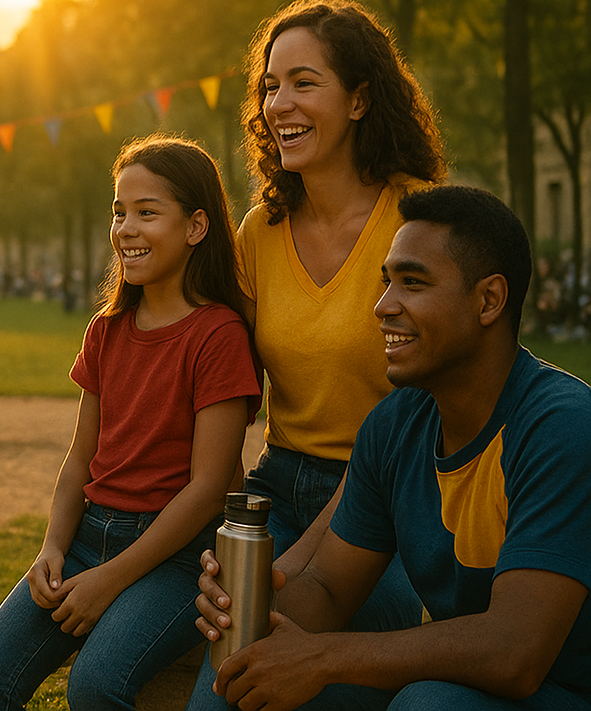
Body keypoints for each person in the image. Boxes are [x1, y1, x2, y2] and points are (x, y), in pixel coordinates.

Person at [195, 185, 591, 710]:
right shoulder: (395, 425)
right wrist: (246, 607)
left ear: (489, 300)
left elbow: (515, 653)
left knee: (426, 703)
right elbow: (329, 590)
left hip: (559, 690)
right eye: (386, 283)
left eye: (413, 283)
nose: (382, 307)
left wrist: (322, 659)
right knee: (256, 682)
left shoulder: (560, 425)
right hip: (470, 685)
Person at [182, 0, 447, 703]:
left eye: (304, 82)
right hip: (277, 490)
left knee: (314, 681)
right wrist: (233, 527)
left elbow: (425, 413)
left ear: (360, 99)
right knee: (224, 682)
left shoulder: (420, 220)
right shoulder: (259, 233)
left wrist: (292, 565)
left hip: (387, 503)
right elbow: (224, 393)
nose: (279, 103)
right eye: (270, 86)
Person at [0, 136, 262, 710]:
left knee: (96, 688)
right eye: (120, 212)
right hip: (86, 540)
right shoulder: (107, 329)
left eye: (148, 213)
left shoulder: (218, 335)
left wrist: (113, 578)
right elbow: (80, 460)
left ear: (197, 226)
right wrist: (52, 546)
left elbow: (207, 490)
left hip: (177, 558)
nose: (126, 227)